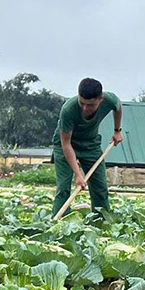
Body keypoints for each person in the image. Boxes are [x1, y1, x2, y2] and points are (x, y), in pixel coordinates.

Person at [51, 77, 123, 218]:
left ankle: (101, 220)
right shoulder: (68, 109)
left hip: (91, 143)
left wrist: (117, 130)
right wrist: (78, 174)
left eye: (90, 105)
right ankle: (59, 223)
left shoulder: (109, 99)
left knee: (100, 186)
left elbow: (118, 106)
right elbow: (66, 144)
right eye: (82, 103)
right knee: (64, 186)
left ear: (100, 99)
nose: (85, 108)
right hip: (66, 144)